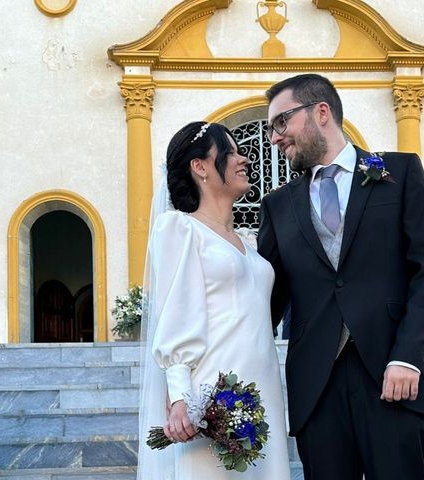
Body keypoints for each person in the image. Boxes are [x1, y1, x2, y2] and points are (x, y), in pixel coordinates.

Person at [257, 74, 424, 480]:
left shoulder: (398, 173)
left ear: (321, 112)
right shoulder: (278, 206)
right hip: (317, 388)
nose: (275, 137)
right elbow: (266, 301)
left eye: (281, 122)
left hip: (393, 375)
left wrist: (408, 356)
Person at [137, 121, 290, 480]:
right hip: (213, 398)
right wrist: (180, 400)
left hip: (261, 396)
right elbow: (175, 312)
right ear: (200, 166)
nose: (244, 159)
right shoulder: (180, 229)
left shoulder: (251, 244)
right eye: (231, 151)